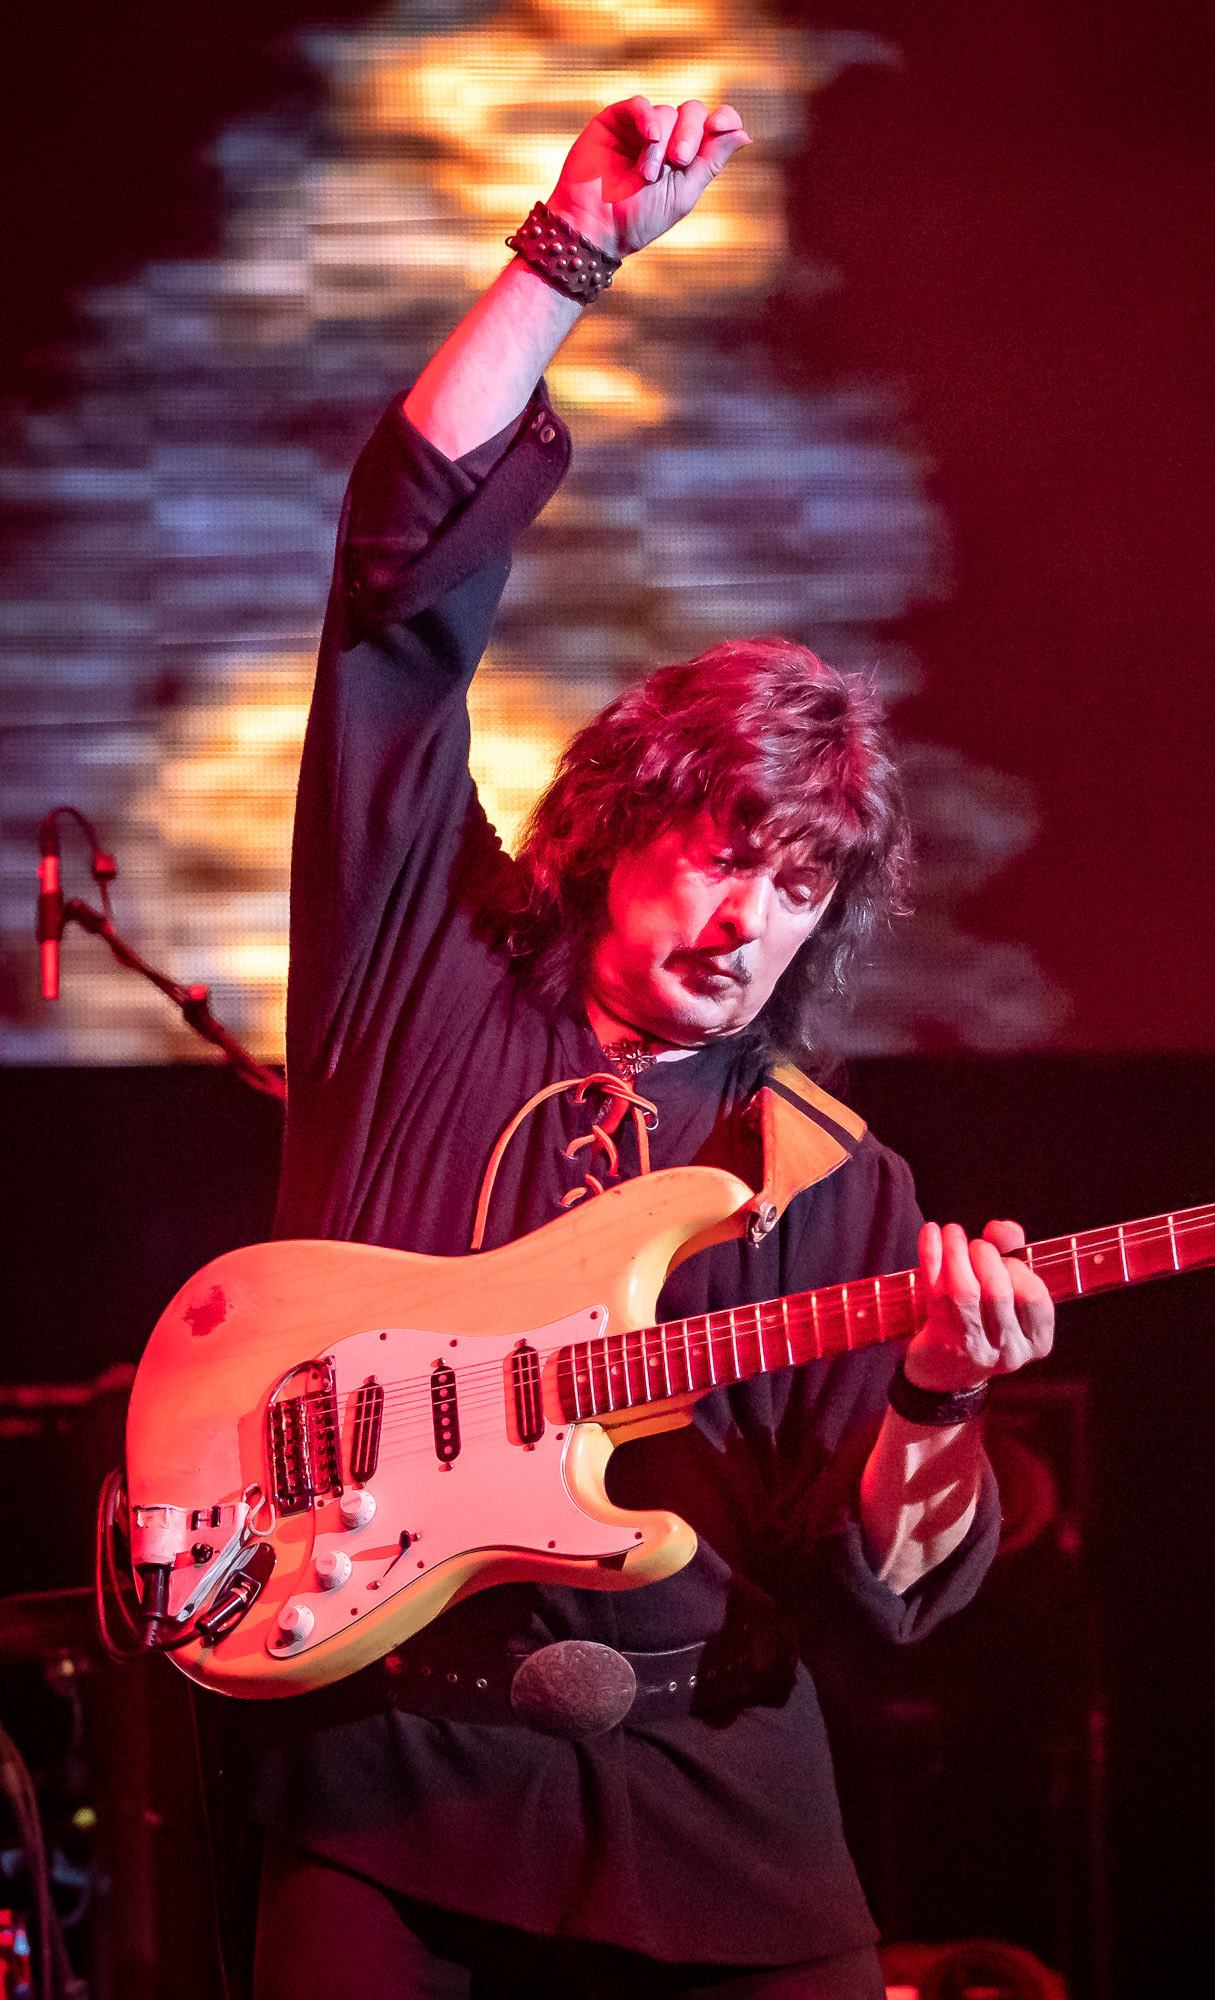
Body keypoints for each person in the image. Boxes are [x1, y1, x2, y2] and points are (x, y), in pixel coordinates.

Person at [251, 96, 1055, 2000]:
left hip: (709, 1809)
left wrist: (937, 1400)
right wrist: (570, 251)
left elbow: (886, 1587)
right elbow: (394, 598)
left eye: (800, 883)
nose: (749, 919)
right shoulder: (425, 965)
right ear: (619, 825)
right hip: (388, 1781)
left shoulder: (830, 1175)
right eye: (721, 852)